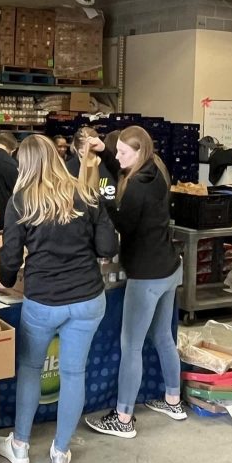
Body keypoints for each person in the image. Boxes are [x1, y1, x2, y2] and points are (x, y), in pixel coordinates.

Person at [0, 135, 118, 463]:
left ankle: (19, 445)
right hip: (88, 298)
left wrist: (6, 278)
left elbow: (9, 261)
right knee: (74, 373)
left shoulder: (21, 201)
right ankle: (61, 453)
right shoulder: (85, 194)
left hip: (43, 300)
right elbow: (108, 246)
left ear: (25, 164)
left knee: (31, 369)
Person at [84, 126, 186, 439]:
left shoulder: (137, 189)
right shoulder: (156, 169)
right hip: (169, 268)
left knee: (131, 345)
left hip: (146, 277)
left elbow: (120, 224)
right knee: (163, 335)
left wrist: (99, 202)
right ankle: (173, 400)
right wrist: (104, 150)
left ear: (138, 152)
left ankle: (124, 416)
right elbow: (125, 167)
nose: (117, 157)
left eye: (122, 153)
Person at [66, 127, 118, 205]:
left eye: (92, 151)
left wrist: (104, 149)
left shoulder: (110, 164)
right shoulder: (69, 168)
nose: (88, 156)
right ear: (76, 149)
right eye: (83, 152)